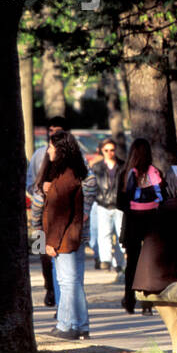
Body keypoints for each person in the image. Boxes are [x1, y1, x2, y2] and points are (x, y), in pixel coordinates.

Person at [39, 130, 91, 340]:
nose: (48, 150)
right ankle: (79, 324)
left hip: (64, 239)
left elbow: (60, 215)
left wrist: (51, 242)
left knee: (67, 282)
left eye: (51, 146)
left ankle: (67, 325)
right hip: (70, 237)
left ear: (60, 150)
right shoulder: (68, 174)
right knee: (73, 282)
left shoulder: (65, 177)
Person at [119, 138, 165, 314]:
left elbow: (120, 202)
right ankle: (148, 303)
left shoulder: (126, 174)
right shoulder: (156, 173)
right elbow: (164, 197)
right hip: (153, 222)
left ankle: (129, 301)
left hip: (133, 222)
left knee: (132, 264)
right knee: (150, 262)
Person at [27, 117, 68, 307]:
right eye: (50, 130)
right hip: (39, 212)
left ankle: (59, 294)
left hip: (59, 214)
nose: (53, 133)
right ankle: (49, 288)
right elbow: (29, 182)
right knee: (41, 252)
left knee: (57, 254)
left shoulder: (72, 156)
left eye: (57, 130)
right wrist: (39, 191)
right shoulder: (38, 154)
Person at [89, 138, 124, 275]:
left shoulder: (122, 166)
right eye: (106, 150)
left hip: (119, 205)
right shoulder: (96, 167)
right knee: (104, 234)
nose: (109, 153)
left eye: (112, 150)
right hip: (102, 204)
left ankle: (120, 263)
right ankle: (105, 260)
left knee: (121, 235)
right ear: (101, 151)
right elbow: (91, 185)